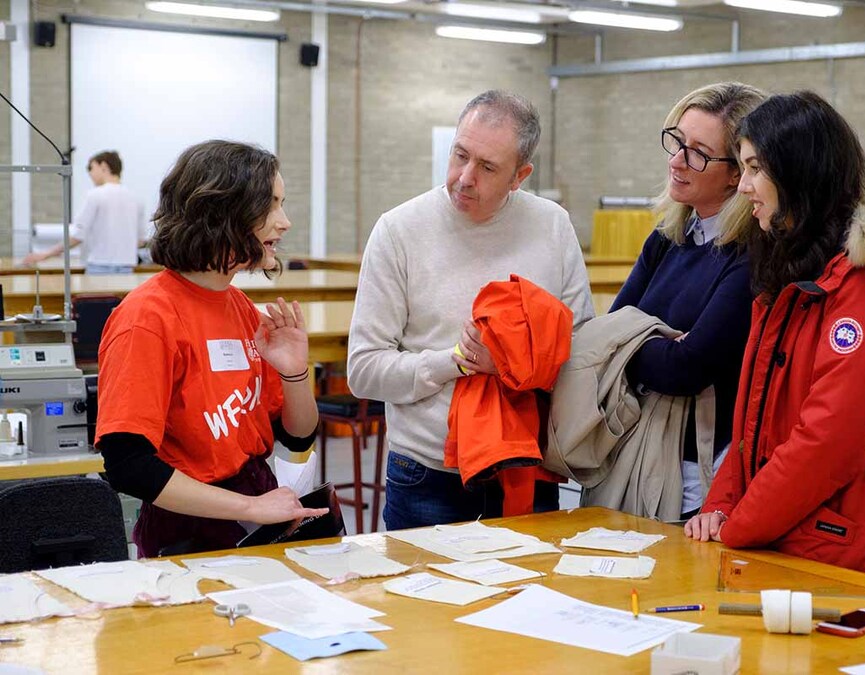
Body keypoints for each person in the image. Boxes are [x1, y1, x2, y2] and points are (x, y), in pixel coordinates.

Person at [685, 92, 865, 591]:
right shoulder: (789, 270)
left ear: (799, 173)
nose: (742, 185)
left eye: (755, 168)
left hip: (857, 561)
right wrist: (721, 504)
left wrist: (740, 524)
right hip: (791, 539)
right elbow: (753, 421)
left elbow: (831, 440)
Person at [347, 90, 594, 531]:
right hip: (428, 475)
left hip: (527, 467)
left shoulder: (552, 225)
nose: (464, 177)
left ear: (520, 176)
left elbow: (582, 351)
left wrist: (516, 364)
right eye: (460, 155)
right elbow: (363, 370)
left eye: (487, 167)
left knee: (530, 580)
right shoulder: (398, 231)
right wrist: (456, 361)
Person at [96, 140, 325, 558]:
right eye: (271, 206)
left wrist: (294, 373)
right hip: (191, 525)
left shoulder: (241, 306)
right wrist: (249, 507)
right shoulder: (146, 318)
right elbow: (129, 465)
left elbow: (297, 435)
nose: (285, 222)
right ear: (223, 213)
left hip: (253, 504)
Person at [595, 82, 764, 519]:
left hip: (694, 479)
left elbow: (686, 369)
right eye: (677, 141)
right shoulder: (666, 239)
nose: (676, 161)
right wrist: (661, 343)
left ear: (738, 173)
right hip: (631, 449)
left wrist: (637, 339)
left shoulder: (750, 257)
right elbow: (606, 335)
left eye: (698, 153)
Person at [22, 150, 147, 274]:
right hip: (127, 268)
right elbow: (140, 241)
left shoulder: (95, 195)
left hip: (98, 267)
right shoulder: (136, 198)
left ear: (103, 166)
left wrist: (45, 254)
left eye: (91, 168)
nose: (90, 174)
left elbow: (77, 236)